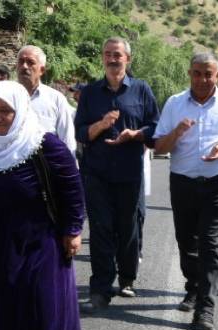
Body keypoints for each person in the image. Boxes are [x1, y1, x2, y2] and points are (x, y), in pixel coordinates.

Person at [0, 81, 84, 330]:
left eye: (5, 111)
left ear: (20, 110)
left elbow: (72, 189)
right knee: (3, 313)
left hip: (40, 242)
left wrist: (73, 230)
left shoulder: (44, 144)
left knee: (41, 314)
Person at [153, 53, 218, 330]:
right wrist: (177, 132)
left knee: (211, 244)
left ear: (217, 76)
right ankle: (194, 287)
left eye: (208, 74)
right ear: (190, 73)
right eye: (197, 73)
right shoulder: (174, 103)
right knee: (187, 242)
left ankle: (205, 310)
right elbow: (159, 147)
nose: (202, 79)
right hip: (183, 182)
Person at [75, 37, 160, 309]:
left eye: (118, 55)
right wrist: (102, 124)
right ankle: (100, 288)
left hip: (129, 173)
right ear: (103, 58)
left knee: (128, 228)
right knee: (100, 229)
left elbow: (156, 129)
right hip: (96, 173)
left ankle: (127, 278)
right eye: (108, 54)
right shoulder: (90, 93)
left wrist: (134, 134)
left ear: (128, 59)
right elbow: (80, 133)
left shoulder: (142, 90)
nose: (112, 59)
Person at [16, 45, 76, 154]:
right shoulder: (6, 96)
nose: (24, 66)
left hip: (47, 167)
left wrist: (69, 169)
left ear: (42, 70)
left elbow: (67, 140)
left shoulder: (56, 99)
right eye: (21, 61)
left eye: (30, 62)